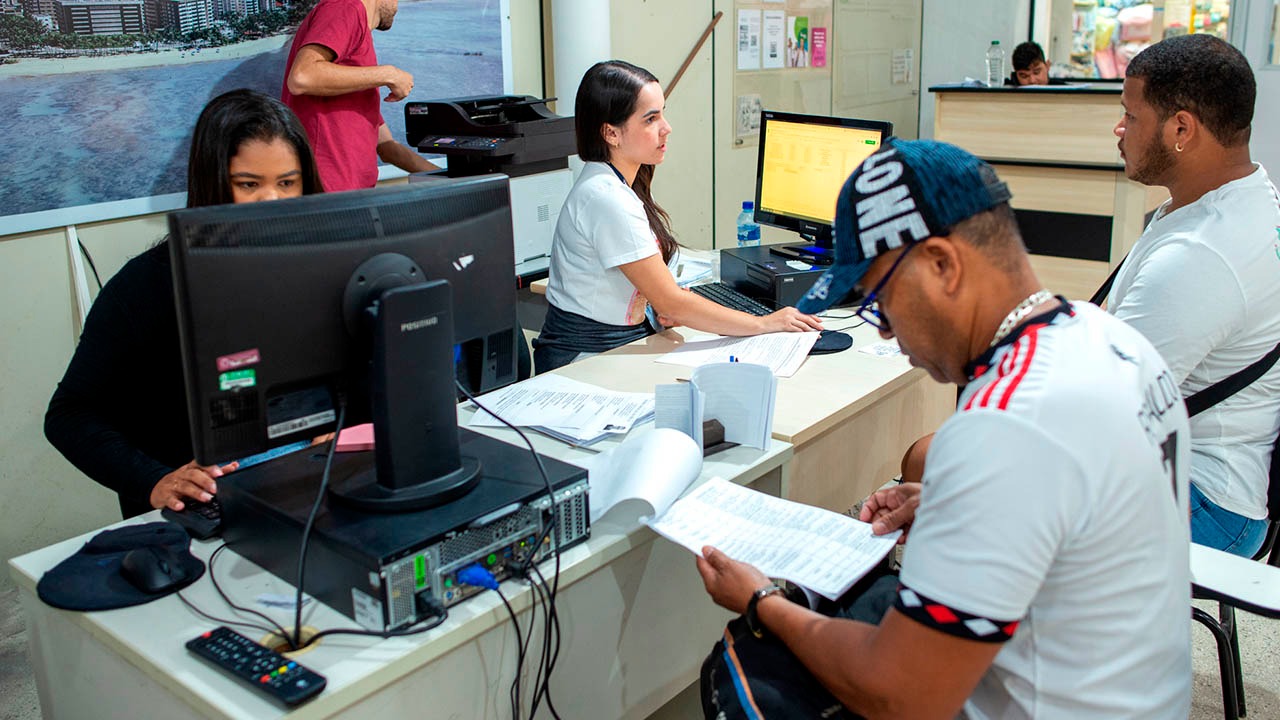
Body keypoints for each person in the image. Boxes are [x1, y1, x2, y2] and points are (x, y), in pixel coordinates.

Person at [695, 139, 1192, 719]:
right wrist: (954, 501)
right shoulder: (1108, 339)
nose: (883, 332)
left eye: (879, 300)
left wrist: (761, 600)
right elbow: (1084, 508)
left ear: (942, 265)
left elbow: (900, 695)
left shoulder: (1005, 425)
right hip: (1138, 694)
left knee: (748, 672)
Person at [45, 89, 325, 519]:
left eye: (287, 182)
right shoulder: (146, 286)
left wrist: (346, 423)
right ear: (214, 181)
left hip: (312, 477)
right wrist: (153, 479)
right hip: (215, 499)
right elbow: (69, 415)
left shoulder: (319, 266)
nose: (272, 202)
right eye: (249, 184)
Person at [533, 60, 822, 373]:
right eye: (651, 119)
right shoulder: (607, 198)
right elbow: (673, 303)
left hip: (618, 341)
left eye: (663, 113)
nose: (666, 127)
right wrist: (764, 323)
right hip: (584, 359)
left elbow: (659, 296)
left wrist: (660, 305)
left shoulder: (621, 183)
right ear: (611, 133)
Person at [1108, 34, 1280, 557]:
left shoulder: (1201, 256)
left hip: (1204, 503)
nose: (1119, 129)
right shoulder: (1248, 195)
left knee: (939, 460)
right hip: (1217, 472)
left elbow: (1101, 412)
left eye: (1130, 116)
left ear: (1181, 128)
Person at [281, 0, 437, 192]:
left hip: (354, 196)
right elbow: (302, 77)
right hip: (328, 193)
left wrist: (447, 179)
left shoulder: (355, 55)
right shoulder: (345, 6)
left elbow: (386, 146)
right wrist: (389, 74)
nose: (398, 6)